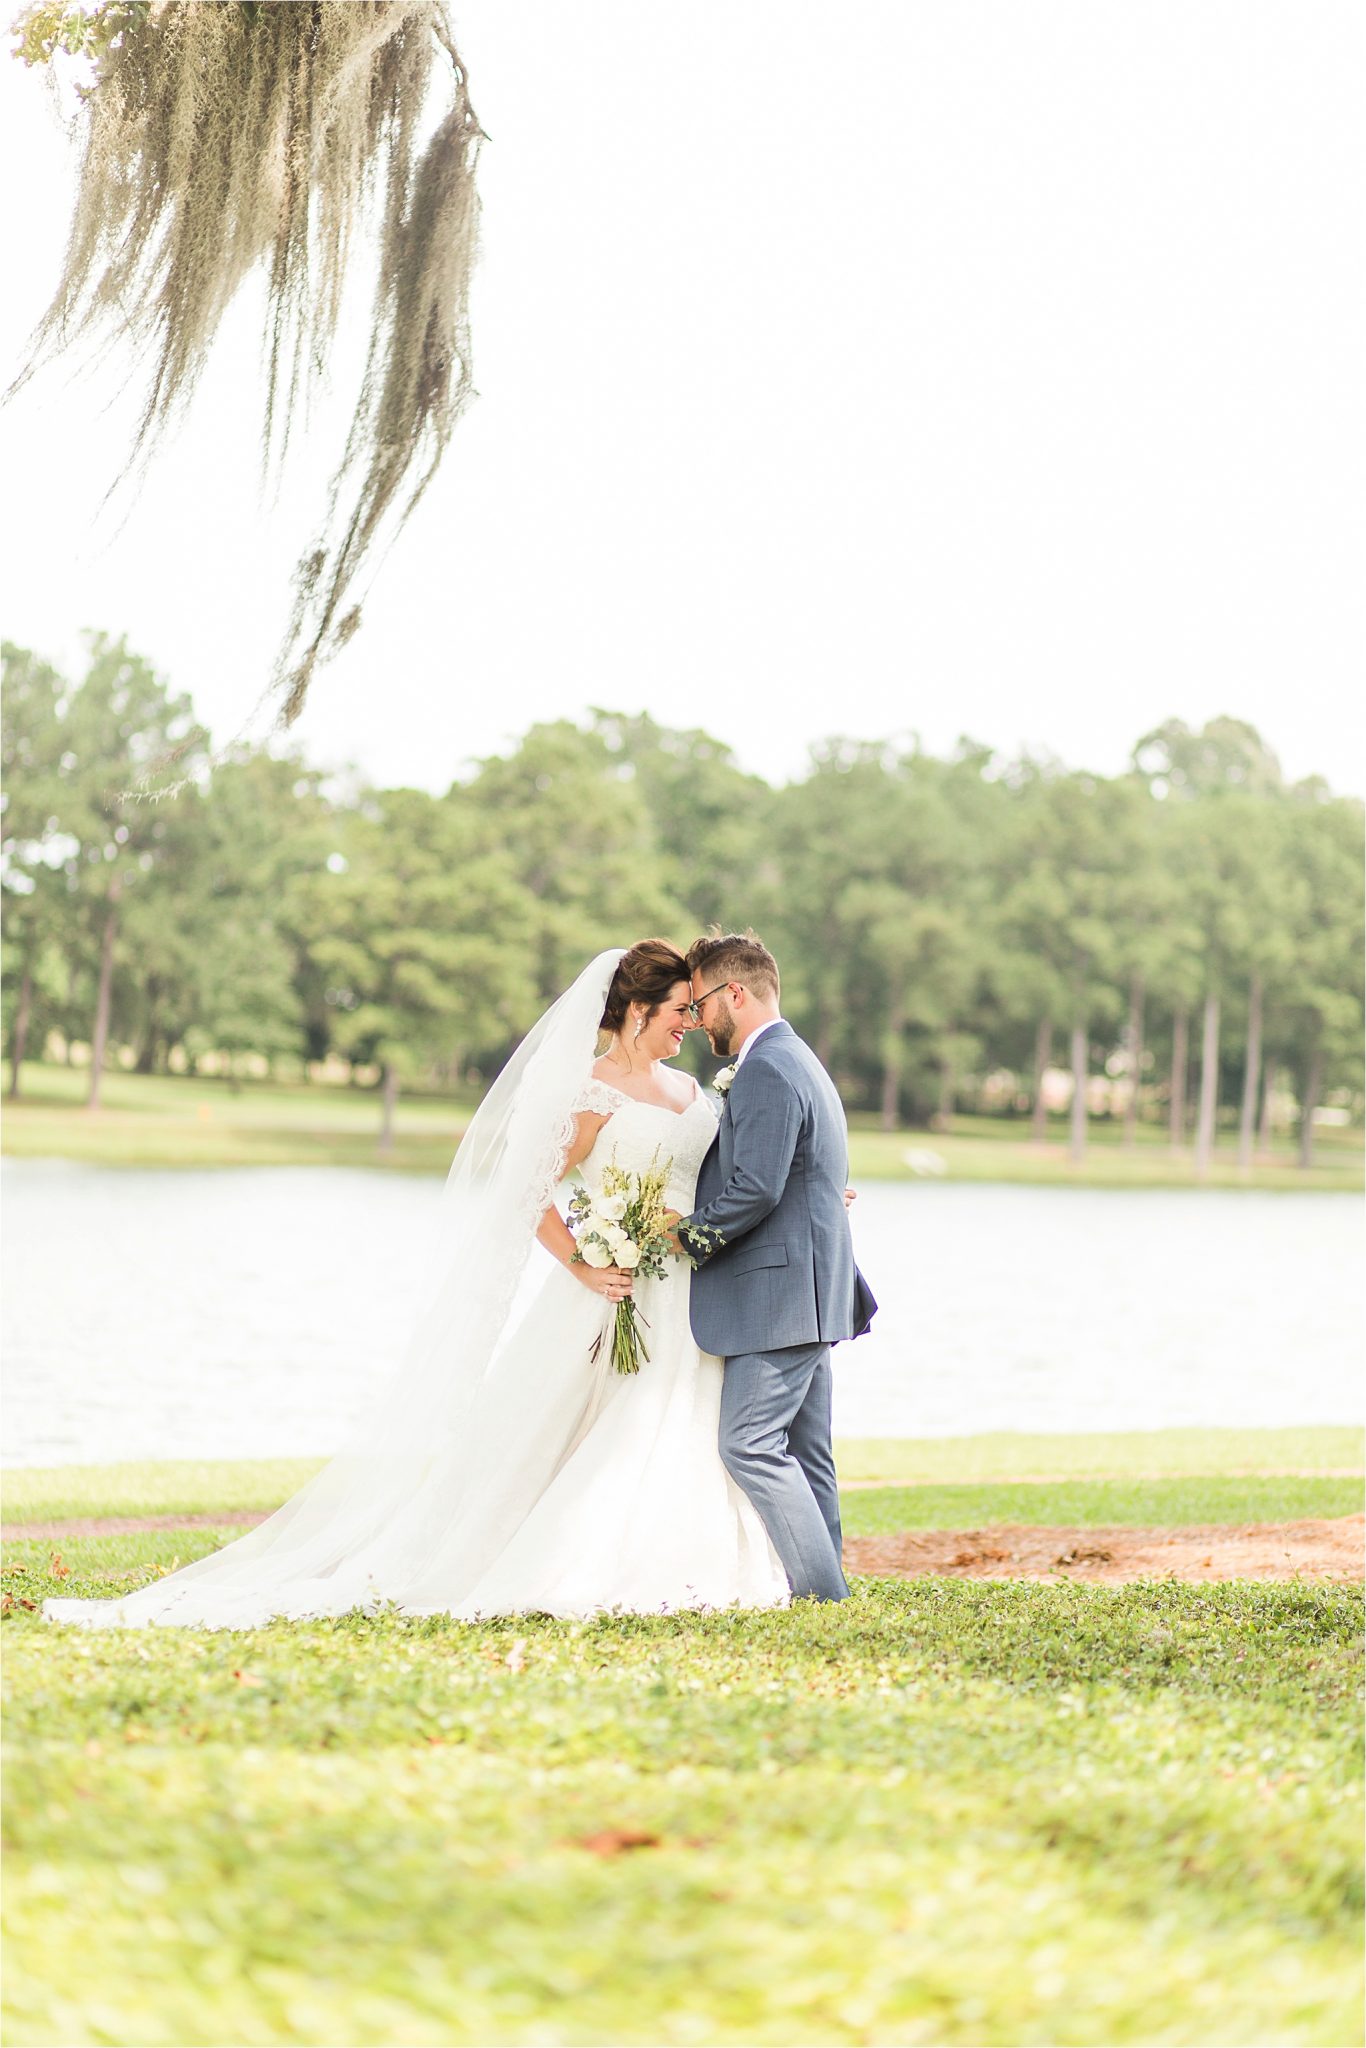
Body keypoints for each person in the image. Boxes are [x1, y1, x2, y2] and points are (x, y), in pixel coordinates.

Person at [44, 941, 822, 1629]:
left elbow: (729, 1172)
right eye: (679, 1009)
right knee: (583, 1433)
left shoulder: (694, 1093)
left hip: (690, 1289)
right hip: (614, 1292)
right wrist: (585, 1262)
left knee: (676, 1425)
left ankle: (688, 1556)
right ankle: (574, 1557)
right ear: (637, 1009)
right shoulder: (592, 1096)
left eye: (695, 1009)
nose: (689, 1022)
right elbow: (524, 1193)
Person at [669, 932, 877, 1603]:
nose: (698, 1022)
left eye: (700, 1004)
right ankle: (827, 1587)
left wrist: (687, 1236)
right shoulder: (799, 1058)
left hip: (782, 1295)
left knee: (749, 1442)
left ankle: (823, 1597)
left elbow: (755, 1187)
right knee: (808, 1453)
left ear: (736, 992)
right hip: (813, 1288)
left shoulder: (766, 1067)